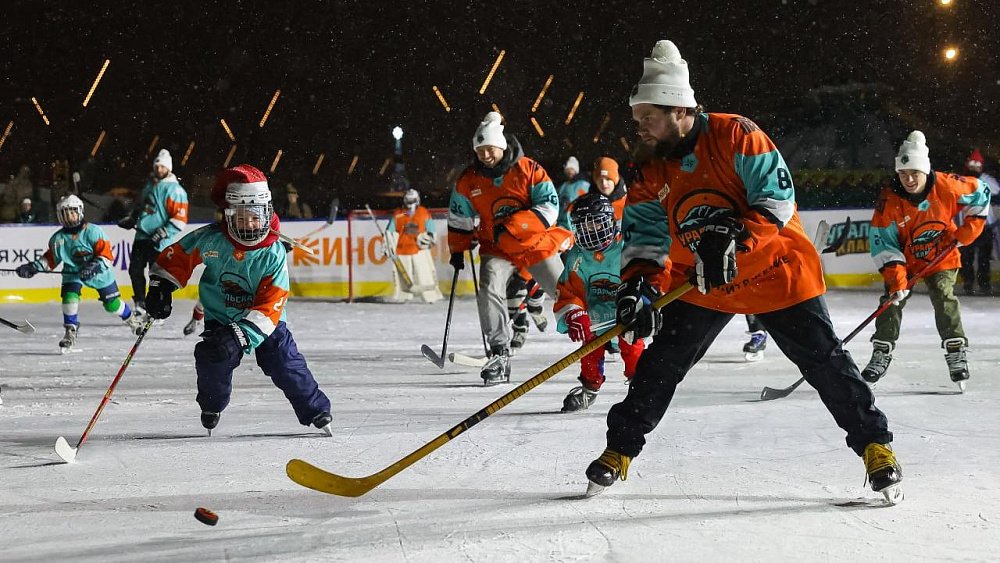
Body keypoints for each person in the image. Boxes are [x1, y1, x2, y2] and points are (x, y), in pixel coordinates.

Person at [585, 40, 901, 503]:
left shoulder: (737, 135)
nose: (640, 128)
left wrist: (733, 241)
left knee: (826, 364)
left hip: (776, 272)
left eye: (646, 118)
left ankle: (876, 447)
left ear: (677, 109)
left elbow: (776, 201)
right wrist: (639, 286)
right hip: (702, 283)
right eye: (637, 120)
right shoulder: (650, 165)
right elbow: (647, 236)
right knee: (660, 365)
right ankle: (619, 450)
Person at [143, 164, 333, 436]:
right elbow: (179, 255)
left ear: (267, 213)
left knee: (283, 361)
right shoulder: (212, 239)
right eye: (241, 218)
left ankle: (315, 409)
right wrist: (161, 286)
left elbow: (271, 304)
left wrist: (241, 335)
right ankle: (211, 406)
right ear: (228, 216)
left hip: (265, 322)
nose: (250, 224)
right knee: (212, 358)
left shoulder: (273, 253)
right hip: (221, 316)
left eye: (256, 217)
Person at [448, 111, 572, 385]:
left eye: (489, 149)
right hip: (496, 248)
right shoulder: (469, 180)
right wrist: (458, 248)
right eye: (479, 151)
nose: (485, 156)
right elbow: (459, 215)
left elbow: (550, 207)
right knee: (489, 287)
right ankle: (499, 352)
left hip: (534, 244)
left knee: (566, 292)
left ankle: (599, 336)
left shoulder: (529, 170)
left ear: (501, 147)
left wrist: (514, 227)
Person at [863, 131, 990, 390]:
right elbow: (883, 242)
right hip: (906, 262)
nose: (909, 179)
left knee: (944, 296)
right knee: (892, 301)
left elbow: (981, 193)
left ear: (925, 170)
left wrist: (969, 230)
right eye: (903, 173)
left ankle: (955, 350)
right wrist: (897, 279)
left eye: (915, 173)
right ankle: (882, 351)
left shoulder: (947, 185)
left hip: (942, 256)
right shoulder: (889, 201)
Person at [15, 195, 144, 351]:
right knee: (69, 298)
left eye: (72, 212)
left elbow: (107, 255)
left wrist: (94, 267)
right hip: (73, 273)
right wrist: (33, 267)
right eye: (65, 213)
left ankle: (131, 319)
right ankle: (70, 331)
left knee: (112, 305)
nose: (69, 216)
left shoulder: (94, 232)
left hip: (100, 273)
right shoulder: (58, 238)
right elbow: (51, 259)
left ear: (80, 212)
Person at [555, 193, 645, 412]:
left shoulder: (627, 246)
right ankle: (589, 388)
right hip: (596, 320)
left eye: (594, 222)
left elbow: (646, 278)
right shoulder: (578, 256)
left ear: (607, 221)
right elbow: (569, 291)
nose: (589, 230)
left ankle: (642, 389)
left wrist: (642, 303)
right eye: (583, 226)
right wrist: (574, 313)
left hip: (626, 315)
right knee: (589, 353)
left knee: (632, 347)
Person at [118, 149, 189, 319]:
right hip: (142, 237)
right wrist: (132, 218)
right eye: (157, 166)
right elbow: (140, 206)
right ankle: (140, 304)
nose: (159, 170)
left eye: (162, 167)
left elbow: (180, 218)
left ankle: (156, 307)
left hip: (159, 242)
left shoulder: (175, 190)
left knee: (156, 277)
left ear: (169, 169)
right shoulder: (150, 185)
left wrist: (163, 232)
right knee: (135, 270)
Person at [385, 189, 443, 303]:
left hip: (419, 250)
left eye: (412, 200)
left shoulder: (424, 213)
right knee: (403, 277)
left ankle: (430, 296)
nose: (410, 203)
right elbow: (390, 232)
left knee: (425, 274)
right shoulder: (399, 214)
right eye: (408, 200)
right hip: (402, 249)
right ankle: (403, 296)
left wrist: (428, 239)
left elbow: (432, 231)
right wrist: (388, 245)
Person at [958, 149, 999, 295]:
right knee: (966, 257)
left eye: (977, 165)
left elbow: (997, 196)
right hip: (966, 225)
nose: (974, 167)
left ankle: (984, 283)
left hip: (985, 226)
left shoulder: (988, 180)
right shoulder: (959, 180)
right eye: (972, 164)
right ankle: (968, 283)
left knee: (984, 258)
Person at [555, 156, 590, 231]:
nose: (570, 171)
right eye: (568, 169)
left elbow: (587, 201)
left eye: (572, 169)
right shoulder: (562, 185)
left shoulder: (583, 185)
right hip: (561, 222)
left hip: (575, 223)